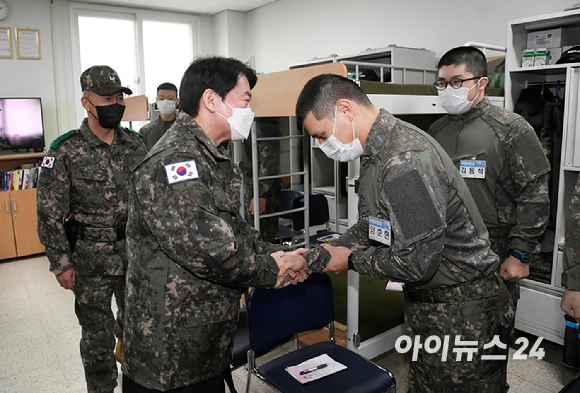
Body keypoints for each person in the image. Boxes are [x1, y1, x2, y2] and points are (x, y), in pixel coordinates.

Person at [293, 74, 514, 392]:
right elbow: (373, 226)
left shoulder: (403, 160)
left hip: (464, 312)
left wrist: (352, 260)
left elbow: (416, 263)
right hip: (430, 305)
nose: (321, 145)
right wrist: (322, 254)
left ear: (345, 109)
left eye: (321, 134)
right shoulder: (374, 154)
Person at [121, 56, 306, 392]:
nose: (249, 110)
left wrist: (286, 254)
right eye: (245, 100)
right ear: (211, 100)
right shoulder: (175, 162)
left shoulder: (212, 158)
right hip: (170, 357)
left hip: (203, 342)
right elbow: (216, 253)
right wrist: (274, 268)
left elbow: (239, 233)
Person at [36, 65, 148, 393]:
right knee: (97, 339)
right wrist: (61, 263)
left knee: (138, 329)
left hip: (135, 254)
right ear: (87, 102)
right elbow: (48, 213)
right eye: (106, 98)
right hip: (89, 261)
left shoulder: (137, 145)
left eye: (118, 97)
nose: (114, 104)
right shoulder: (64, 150)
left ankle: (136, 384)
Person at [427, 46, 550, 308]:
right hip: (446, 242)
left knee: (491, 324)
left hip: (495, 246)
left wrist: (521, 254)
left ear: (482, 83)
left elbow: (535, 194)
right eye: (442, 83)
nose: (449, 89)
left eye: (457, 82)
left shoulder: (512, 128)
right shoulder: (437, 130)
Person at [240, 117, 282, 242]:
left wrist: (261, 194)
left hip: (261, 186)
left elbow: (269, 161)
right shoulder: (244, 120)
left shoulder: (265, 122)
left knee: (262, 236)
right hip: (248, 181)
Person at [140, 82, 179, 150]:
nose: (165, 102)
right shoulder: (146, 131)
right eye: (161, 99)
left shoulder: (186, 128)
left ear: (177, 101)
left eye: (170, 99)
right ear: (156, 101)